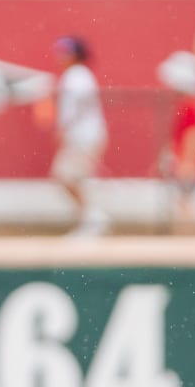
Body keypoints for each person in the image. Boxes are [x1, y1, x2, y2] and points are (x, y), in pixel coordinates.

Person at [49, 36, 110, 238]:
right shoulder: (79, 75)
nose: (60, 56)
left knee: (66, 176)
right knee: (77, 179)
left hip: (82, 138)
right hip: (86, 137)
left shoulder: (76, 76)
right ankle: (91, 222)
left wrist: (61, 129)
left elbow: (72, 109)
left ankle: (93, 219)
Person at [158, 51, 195, 235]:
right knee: (184, 204)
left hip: (188, 163)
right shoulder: (187, 103)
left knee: (186, 206)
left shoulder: (190, 104)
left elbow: (194, 135)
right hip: (184, 161)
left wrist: (189, 162)